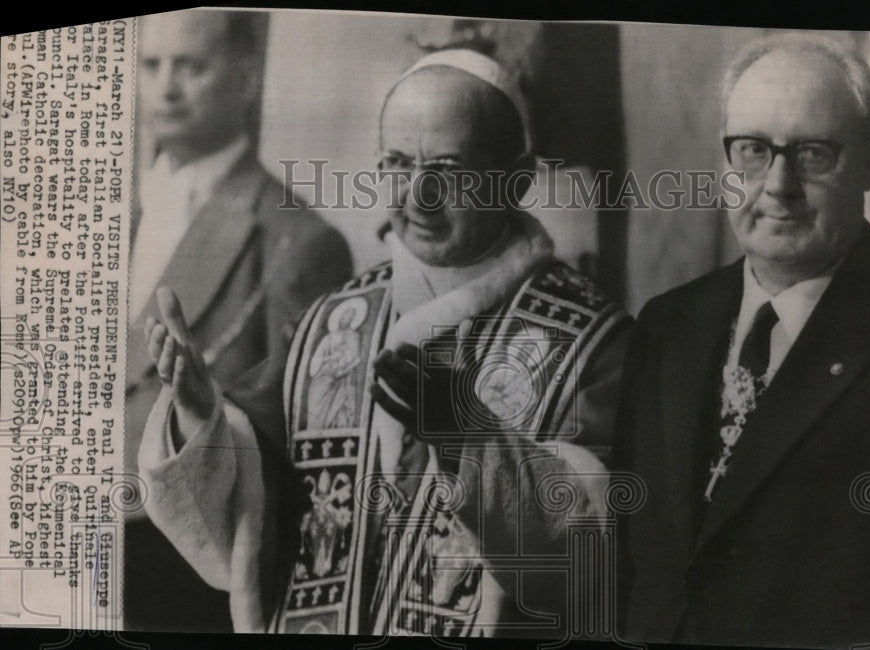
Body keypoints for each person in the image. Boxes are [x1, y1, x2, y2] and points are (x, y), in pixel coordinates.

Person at [137, 48, 632, 637]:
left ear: (516, 180)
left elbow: (586, 563)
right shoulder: (336, 321)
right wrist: (199, 414)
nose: (418, 196)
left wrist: (468, 439)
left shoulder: (592, 340)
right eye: (398, 163)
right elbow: (250, 512)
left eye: (448, 170)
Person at [615, 34, 870, 648]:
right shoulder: (666, 324)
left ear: (869, 163)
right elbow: (628, 560)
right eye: (754, 150)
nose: (778, 185)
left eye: (813, 153)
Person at [124, 9, 352, 631]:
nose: (166, 86)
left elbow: (300, 455)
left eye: (191, 66)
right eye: (152, 65)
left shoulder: (298, 240)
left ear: (248, 77)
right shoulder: (104, 208)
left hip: (181, 568)